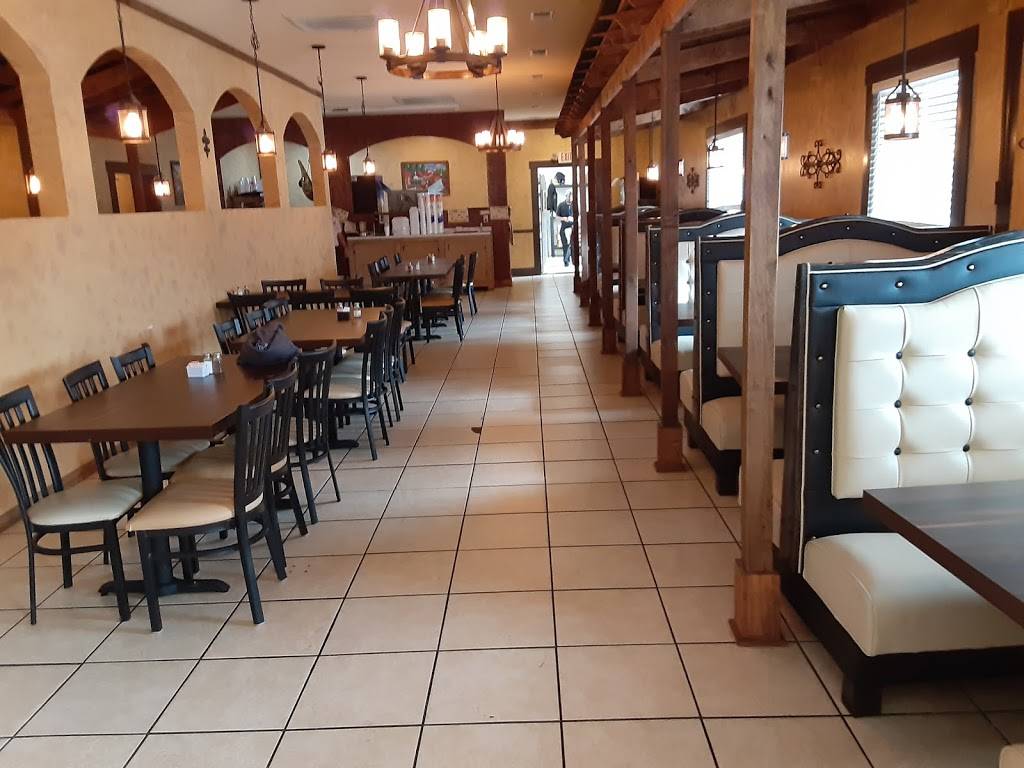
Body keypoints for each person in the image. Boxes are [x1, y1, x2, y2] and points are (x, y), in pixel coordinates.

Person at [556, 192, 574, 267]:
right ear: (566, 196)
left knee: (572, 245)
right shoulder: (561, 205)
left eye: (571, 196)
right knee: (565, 245)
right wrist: (563, 218)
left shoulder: (574, 205)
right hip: (564, 227)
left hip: (572, 227)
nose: (570, 198)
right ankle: (566, 260)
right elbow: (557, 217)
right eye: (568, 196)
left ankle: (572, 260)